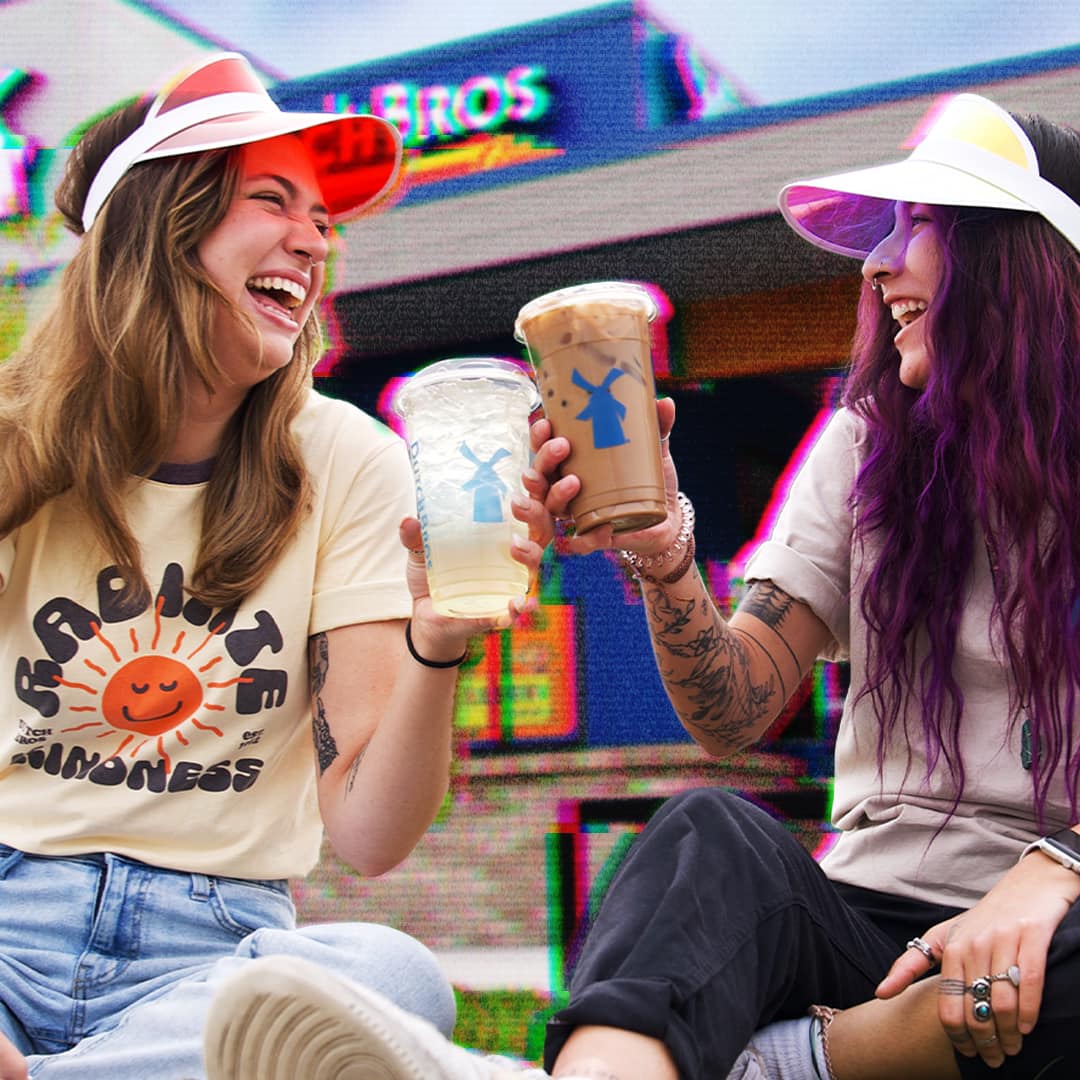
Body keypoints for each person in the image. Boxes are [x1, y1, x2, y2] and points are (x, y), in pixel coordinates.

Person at [200, 91, 1080, 1079]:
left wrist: (1054, 869)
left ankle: (798, 1061)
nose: (877, 264)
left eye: (923, 226)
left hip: (1056, 932)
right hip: (865, 928)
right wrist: (662, 554)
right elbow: (736, 712)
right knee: (706, 832)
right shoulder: (866, 451)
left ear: (1024, 258)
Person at [0, 52, 551, 1080]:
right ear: (161, 226)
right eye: (272, 199)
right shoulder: (11, 443)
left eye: (323, 218)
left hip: (209, 956)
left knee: (391, 975)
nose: (314, 238)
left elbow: (370, 837)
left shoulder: (349, 461)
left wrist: (437, 645)